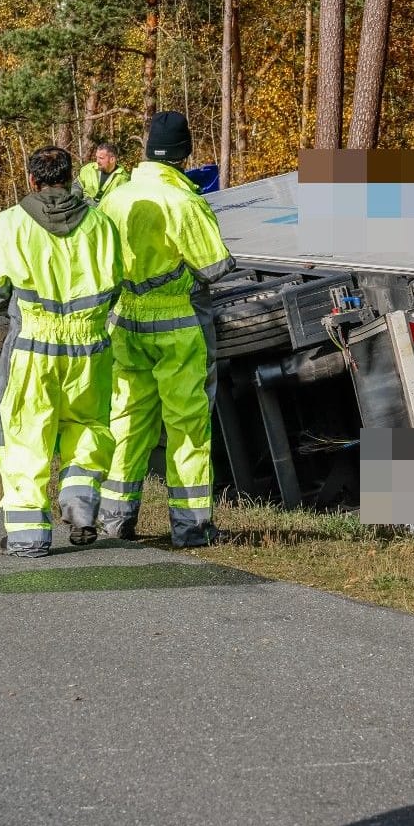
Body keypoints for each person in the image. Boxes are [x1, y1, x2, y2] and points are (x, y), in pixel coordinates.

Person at [0, 146, 123, 556]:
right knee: (89, 425)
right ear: (69, 176)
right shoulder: (100, 224)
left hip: (32, 347)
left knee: (25, 435)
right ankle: (80, 506)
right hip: (90, 347)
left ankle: (28, 537)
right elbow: (115, 286)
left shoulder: (9, 225)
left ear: (31, 181)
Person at [98, 111, 234, 546]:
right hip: (176, 326)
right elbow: (214, 266)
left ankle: (115, 519)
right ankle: (191, 527)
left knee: (127, 419)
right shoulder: (185, 202)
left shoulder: (115, 197)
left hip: (123, 322)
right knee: (187, 425)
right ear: (184, 152)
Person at [75, 138, 129, 203]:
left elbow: (121, 202)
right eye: (96, 157)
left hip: (105, 212)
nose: (97, 161)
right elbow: (77, 186)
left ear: (112, 160)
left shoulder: (123, 178)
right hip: (84, 209)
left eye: (101, 158)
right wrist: (75, 201)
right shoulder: (88, 169)